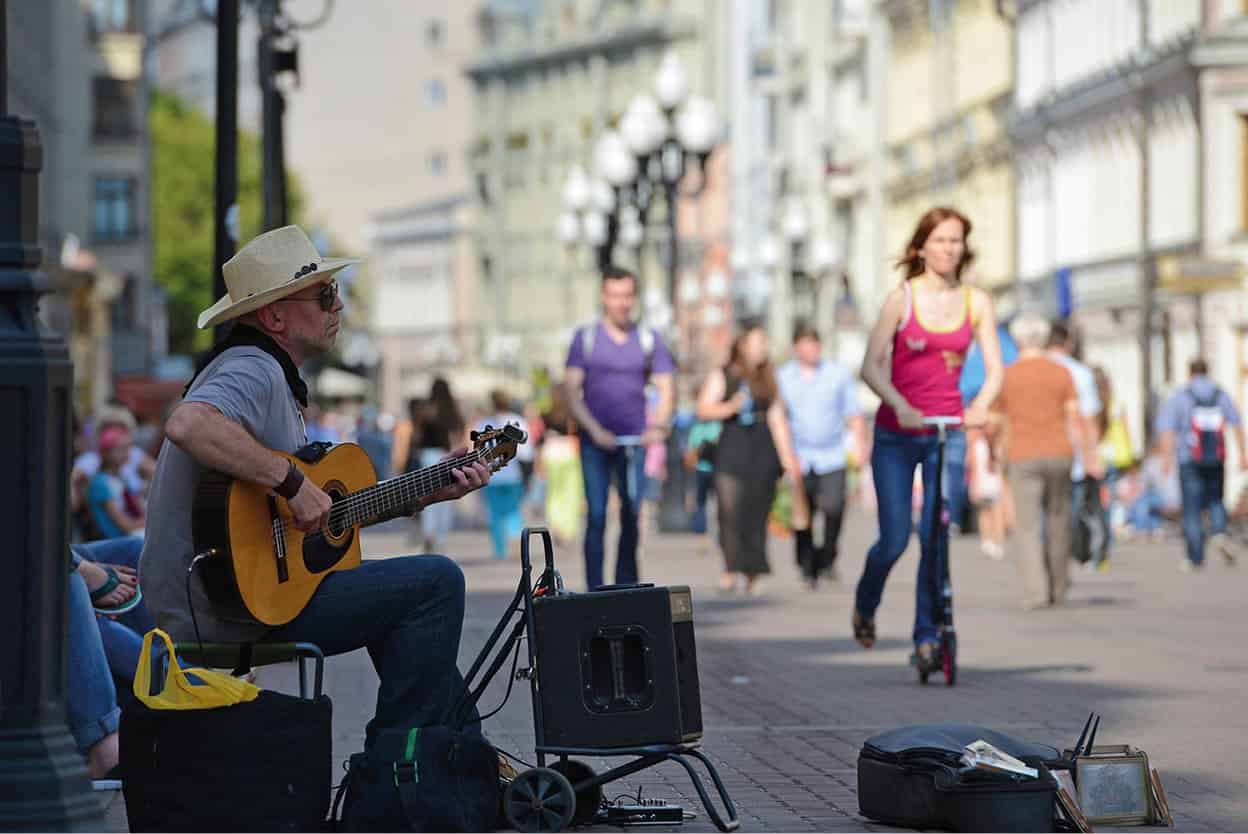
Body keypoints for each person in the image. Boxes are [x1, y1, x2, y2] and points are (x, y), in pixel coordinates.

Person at [139, 225, 490, 747]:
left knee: (408, 593)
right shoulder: (252, 367)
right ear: (274, 316)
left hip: (244, 598)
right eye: (324, 295)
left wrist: (423, 492)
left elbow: (314, 514)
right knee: (434, 583)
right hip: (224, 612)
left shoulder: (273, 377)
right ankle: (403, 767)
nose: (338, 306)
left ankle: (446, 754)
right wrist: (290, 480)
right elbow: (189, 424)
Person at [854, 206, 1003, 671]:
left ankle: (925, 636)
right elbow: (870, 365)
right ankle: (866, 601)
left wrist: (980, 404)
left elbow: (997, 369)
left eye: (956, 240)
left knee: (936, 534)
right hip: (898, 434)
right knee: (896, 539)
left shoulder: (977, 302)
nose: (948, 249)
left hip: (947, 432)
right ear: (921, 247)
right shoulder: (902, 299)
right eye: (939, 240)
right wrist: (898, 403)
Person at [563, 265, 675, 589]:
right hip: (594, 443)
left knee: (631, 514)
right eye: (614, 295)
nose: (621, 303)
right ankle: (595, 591)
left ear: (634, 297)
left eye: (627, 295)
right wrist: (595, 430)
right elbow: (571, 392)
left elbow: (667, 386)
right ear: (603, 297)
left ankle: (626, 589)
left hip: (633, 444)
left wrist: (659, 426)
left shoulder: (648, 339)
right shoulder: (585, 339)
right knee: (597, 516)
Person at [696, 321, 805, 595]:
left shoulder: (768, 378)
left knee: (757, 514)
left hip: (763, 450)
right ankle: (731, 568)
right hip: (731, 449)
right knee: (729, 511)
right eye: (757, 343)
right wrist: (730, 407)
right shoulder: (724, 374)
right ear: (742, 346)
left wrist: (787, 458)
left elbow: (777, 418)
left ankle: (753, 570)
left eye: (764, 343)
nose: (762, 349)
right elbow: (704, 409)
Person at [991, 313, 1091, 609]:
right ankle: (1059, 587)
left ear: (1018, 340)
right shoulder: (1061, 373)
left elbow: (995, 423)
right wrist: (1086, 454)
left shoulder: (1007, 375)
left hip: (1023, 454)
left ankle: (1037, 592)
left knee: (1028, 525)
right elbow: (1075, 418)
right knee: (1059, 520)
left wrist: (994, 451)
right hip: (1060, 452)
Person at [777, 321, 866, 588]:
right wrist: (784, 455)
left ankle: (828, 556)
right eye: (806, 343)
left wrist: (860, 446)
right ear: (796, 347)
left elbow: (853, 413)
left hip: (832, 455)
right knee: (802, 514)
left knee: (834, 507)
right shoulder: (783, 377)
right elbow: (778, 416)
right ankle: (806, 565)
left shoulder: (837, 375)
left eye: (815, 343)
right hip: (799, 456)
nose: (811, 349)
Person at [1156, 358, 1246, 571]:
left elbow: (1167, 428)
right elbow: (1236, 423)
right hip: (1215, 457)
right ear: (1207, 371)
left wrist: (1166, 457)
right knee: (1216, 498)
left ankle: (1195, 556)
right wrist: (1243, 454)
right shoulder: (1220, 394)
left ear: (1189, 372)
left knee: (1192, 507)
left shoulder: (1181, 396)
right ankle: (1219, 532)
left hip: (1189, 458)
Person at [1047, 320, 1107, 568]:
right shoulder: (1080, 373)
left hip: (1033, 451)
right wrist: (1092, 456)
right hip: (1072, 454)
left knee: (1043, 509)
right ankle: (1063, 556)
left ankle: (1047, 557)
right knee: (1068, 509)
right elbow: (1088, 419)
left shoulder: (1028, 368)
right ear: (1068, 342)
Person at [477, 389, 529, 559]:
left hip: (492, 476)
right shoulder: (518, 421)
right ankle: (515, 539)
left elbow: (477, 452)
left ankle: (500, 549)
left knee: (495, 514)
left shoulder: (484, 424)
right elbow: (527, 453)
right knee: (513, 511)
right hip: (513, 475)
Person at [85, 426, 146, 540]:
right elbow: (125, 526)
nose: (127, 453)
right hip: (118, 539)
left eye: (128, 448)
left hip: (133, 533)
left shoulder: (122, 478)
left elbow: (139, 509)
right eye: (121, 449)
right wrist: (150, 522)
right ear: (105, 452)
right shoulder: (100, 483)